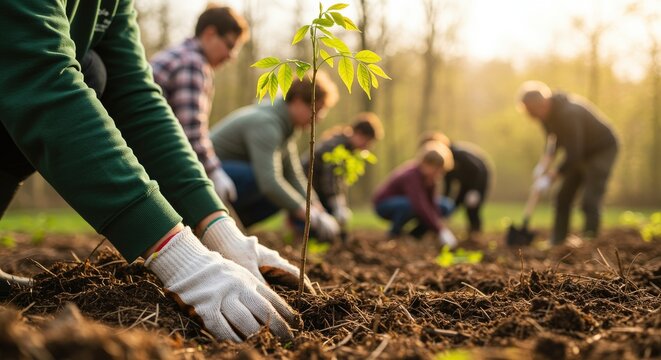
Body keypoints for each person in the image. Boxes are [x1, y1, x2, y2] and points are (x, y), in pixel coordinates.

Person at [0, 0, 308, 342]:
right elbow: (38, 77)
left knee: (94, 69)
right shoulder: (192, 65)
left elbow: (133, 95)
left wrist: (219, 230)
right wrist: (176, 253)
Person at [210, 72, 341, 242]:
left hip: (228, 177)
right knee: (261, 182)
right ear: (298, 101)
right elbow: (269, 182)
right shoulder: (267, 124)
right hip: (210, 174)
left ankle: (230, 233)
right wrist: (310, 217)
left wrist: (317, 209)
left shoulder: (286, 127)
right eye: (317, 109)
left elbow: (294, 175)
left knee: (283, 195)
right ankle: (220, 231)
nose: (319, 118)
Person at [151, 5, 248, 203]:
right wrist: (214, 172)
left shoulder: (180, 54)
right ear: (209, 33)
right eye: (229, 45)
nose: (232, 56)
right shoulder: (192, 62)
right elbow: (191, 132)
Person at [518, 81, 618, 245]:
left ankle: (590, 241)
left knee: (590, 198)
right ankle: (557, 240)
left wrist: (550, 177)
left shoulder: (569, 113)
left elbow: (573, 154)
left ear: (542, 104)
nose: (531, 116)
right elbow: (552, 143)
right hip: (580, 152)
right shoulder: (546, 117)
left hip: (601, 149)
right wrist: (543, 166)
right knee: (562, 196)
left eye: (531, 111)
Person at [302, 113, 384, 226]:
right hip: (307, 185)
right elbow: (329, 176)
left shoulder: (346, 146)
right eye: (367, 141)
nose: (367, 147)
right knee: (319, 222)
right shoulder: (338, 146)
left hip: (316, 188)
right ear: (359, 134)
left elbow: (338, 179)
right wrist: (336, 201)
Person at [373, 142, 458, 248]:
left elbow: (432, 204)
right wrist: (440, 230)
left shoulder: (431, 179)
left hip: (406, 203)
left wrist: (439, 227)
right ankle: (394, 234)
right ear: (427, 164)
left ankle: (414, 236)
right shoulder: (412, 176)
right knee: (410, 205)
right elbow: (419, 204)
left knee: (444, 206)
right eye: (436, 169)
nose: (438, 174)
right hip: (385, 205)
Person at [419, 132, 491, 239]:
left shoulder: (457, 153)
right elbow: (448, 183)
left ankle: (475, 233)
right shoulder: (442, 160)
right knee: (454, 205)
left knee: (472, 208)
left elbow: (478, 169)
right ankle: (438, 228)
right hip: (465, 183)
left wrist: (476, 190)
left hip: (479, 179)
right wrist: (444, 202)